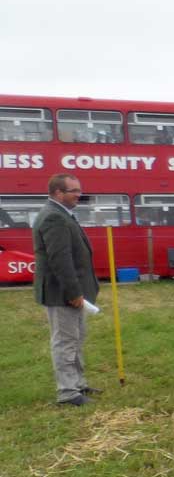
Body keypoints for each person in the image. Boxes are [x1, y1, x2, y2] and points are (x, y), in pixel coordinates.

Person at [31, 173, 100, 406]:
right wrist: (73, 293)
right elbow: (60, 260)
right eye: (74, 191)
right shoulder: (54, 217)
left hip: (70, 292)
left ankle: (78, 384)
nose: (79, 195)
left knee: (77, 338)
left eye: (79, 190)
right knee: (65, 341)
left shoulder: (62, 214)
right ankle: (67, 392)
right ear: (58, 193)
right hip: (62, 294)